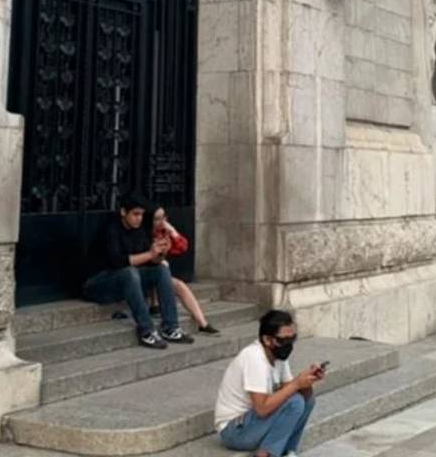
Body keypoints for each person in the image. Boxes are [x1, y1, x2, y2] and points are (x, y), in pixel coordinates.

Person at [82, 193, 195, 349]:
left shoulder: (139, 231)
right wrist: (150, 254)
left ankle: (170, 327)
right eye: (135, 214)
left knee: (161, 269)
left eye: (141, 214)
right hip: (96, 284)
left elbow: (149, 262)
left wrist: (161, 253)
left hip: (125, 283)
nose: (139, 218)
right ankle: (146, 331)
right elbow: (117, 262)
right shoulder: (111, 230)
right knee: (129, 272)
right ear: (123, 212)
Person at [214, 309, 323, 457]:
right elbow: (262, 408)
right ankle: (265, 454)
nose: (288, 345)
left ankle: (288, 452)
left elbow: (290, 390)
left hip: (254, 424)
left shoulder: (278, 356)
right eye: (283, 340)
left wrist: (308, 382)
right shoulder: (254, 357)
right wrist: (297, 384)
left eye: (292, 339)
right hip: (234, 431)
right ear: (267, 340)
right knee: (295, 402)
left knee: (307, 399)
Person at [147, 206, 220, 335]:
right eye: (157, 219)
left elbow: (182, 247)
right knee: (163, 269)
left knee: (179, 285)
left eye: (163, 218)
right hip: (144, 272)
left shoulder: (163, 233)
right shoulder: (143, 234)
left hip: (158, 273)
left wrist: (173, 231)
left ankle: (202, 323)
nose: (161, 222)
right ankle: (155, 305)